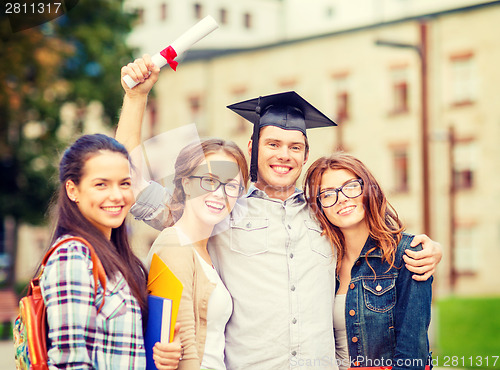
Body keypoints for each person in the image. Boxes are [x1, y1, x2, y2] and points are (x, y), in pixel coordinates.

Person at [117, 56, 442, 369]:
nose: (284, 155)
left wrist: (423, 247)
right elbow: (132, 183)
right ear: (252, 148)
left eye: (295, 147)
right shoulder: (219, 208)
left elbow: (374, 245)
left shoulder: (326, 214)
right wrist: (135, 98)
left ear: (305, 156)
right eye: (273, 144)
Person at [119, 56, 249, 370]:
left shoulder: (212, 243)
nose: (218, 193)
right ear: (185, 183)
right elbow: (182, 351)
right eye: (208, 180)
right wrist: (136, 97)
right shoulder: (174, 245)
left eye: (231, 185)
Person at [39, 134, 181, 369]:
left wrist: (164, 355)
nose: (117, 195)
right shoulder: (73, 255)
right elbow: (70, 363)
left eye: (124, 183)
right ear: (73, 190)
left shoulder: (123, 261)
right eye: (101, 184)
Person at [304, 153, 432, 370]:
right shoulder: (322, 261)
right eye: (327, 194)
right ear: (320, 207)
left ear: (368, 189)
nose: (342, 198)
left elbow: (413, 358)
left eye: (351, 186)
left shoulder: (407, 255)